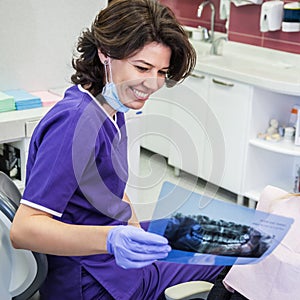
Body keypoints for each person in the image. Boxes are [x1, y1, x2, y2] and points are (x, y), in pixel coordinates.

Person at [10, 0, 223, 299]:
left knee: (211, 233)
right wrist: (112, 239)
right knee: (230, 256)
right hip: (92, 281)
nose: (153, 84)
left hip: (107, 254)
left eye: (162, 72)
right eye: (142, 67)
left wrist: (133, 226)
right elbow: (23, 231)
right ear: (105, 53)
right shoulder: (73, 124)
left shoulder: (110, 106)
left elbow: (109, 187)